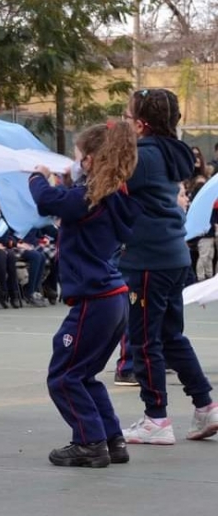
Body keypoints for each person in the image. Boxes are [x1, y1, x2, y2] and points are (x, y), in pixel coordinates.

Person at [29, 122, 139, 467]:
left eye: (78, 158)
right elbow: (71, 204)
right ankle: (111, 438)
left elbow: (47, 201)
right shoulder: (113, 197)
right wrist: (66, 182)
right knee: (83, 373)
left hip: (95, 299)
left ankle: (89, 442)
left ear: (90, 161)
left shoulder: (89, 197)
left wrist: (37, 178)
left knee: (63, 375)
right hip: (113, 297)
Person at [119, 90, 216, 446]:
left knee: (144, 339)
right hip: (173, 254)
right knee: (172, 335)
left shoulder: (142, 156)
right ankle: (205, 404)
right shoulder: (173, 152)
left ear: (140, 124)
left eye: (128, 117)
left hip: (148, 259)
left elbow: (108, 188)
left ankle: (156, 418)